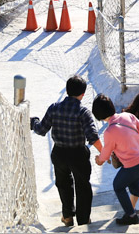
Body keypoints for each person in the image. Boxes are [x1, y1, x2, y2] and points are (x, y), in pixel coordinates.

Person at [30, 75, 102, 227]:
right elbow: (92, 136)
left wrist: (33, 122)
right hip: (78, 154)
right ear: (82, 94)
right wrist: (104, 153)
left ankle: (68, 216)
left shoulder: (54, 108)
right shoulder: (83, 112)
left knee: (63, 184)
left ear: (67, 90)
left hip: (59, 153)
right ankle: (83, 220)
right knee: (83, 186)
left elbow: (41, 129)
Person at [92, 94, 139, 226]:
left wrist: (99, 159)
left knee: (118, 186)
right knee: (131, 181)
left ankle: (131, 215)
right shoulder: (127, 116)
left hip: (134, 164)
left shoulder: (109, 132)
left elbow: (106, 154)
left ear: (98, 115)